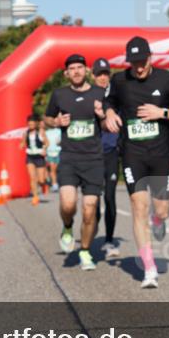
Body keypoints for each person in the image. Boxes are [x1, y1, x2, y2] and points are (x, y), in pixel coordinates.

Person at [103, 36, 169, 289]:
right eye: (134, 62)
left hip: (161, 153)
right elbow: (107, 100)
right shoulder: (119, 80)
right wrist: (109, 112)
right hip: (133, 153)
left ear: (151, 58)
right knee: (138, 206)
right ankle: (149, 268)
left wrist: (162, 113)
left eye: (142, 61)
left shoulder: (166, 79)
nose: (138, 67)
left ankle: (159, 220)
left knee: (161, 209)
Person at [45, 54, 107, 271]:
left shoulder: (100, 93)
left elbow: (108, 125)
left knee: (89, 210)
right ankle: (68, 227)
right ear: (66, 73)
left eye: (80, 67)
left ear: (87, 70)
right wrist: (56, 121)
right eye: (72, 68)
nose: (77, 71)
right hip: (69, 159)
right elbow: (47, 118)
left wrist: (102, 115)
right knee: (68, 204)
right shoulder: (59, 94)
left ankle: (85, 251)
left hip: (94, 159)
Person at [92, 58, 121, 258]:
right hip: (92, 156)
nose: (103, 78)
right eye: (99, 74)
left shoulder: (116, 96)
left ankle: (109, 240)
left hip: (111, 153)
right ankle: (91, 236)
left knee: (110, 197)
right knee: (93, 199)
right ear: (93, 76)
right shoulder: (88, 96)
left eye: (105, 74)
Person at [21, 115, 48, 205]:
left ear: (36, 124)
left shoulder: (41, 132)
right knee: (32, 178)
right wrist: (21, 145)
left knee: (41, 180)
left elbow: (47, 143)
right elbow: (23, 142)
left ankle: (44, 183)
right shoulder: (26, 133)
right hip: (30, 157)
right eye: (29, 124)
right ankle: (35, 197)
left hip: (39, 157)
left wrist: (44, 149)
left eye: (32, 124)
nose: (30, 126)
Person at [45, 123, 62, 192]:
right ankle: (54, 185)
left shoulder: (59, 131)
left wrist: (60, 142)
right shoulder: (46, 132)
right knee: (53, 170)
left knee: (58, 169)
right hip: (50, 153)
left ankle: (57, 182)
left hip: (58, 152)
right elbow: (45, 142)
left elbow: (61, 141)